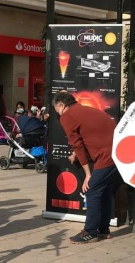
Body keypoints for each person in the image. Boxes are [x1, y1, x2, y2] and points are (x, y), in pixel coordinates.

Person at [52, 91, 121, 244]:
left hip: (106, 157)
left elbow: (77, 144)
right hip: (119, 154)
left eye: (57, 110)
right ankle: (103, 230)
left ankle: (90, 232)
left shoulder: (67, 116)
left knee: (92, 190)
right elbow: (89, 136)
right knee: (105, 191)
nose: (58, 114)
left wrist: (88, 175)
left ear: (62, 106)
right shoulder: (88, 110)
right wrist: (76, 154)